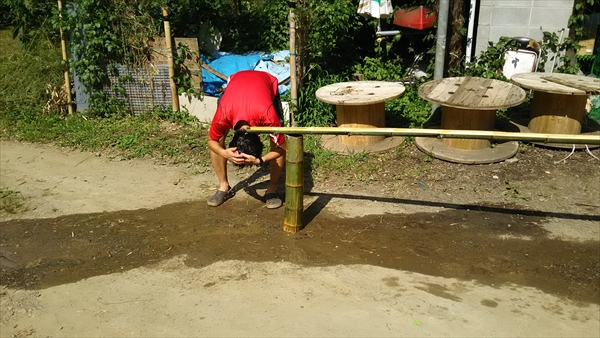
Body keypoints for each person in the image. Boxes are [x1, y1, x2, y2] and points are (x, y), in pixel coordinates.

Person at [206, 70, 286, 209]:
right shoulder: (223, 115)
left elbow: (282, 147)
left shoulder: (268, 115)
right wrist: (224, 152)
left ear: (259, 137)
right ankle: (224, 187)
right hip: (235, 83)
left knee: (276, 142)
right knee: (218, 140)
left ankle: (272, 188)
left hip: (266, 82)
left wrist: (260, 160)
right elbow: (211, 140)